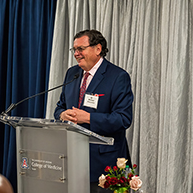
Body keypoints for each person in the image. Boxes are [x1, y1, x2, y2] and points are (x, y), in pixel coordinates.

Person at [54, 29, 133, 193]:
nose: (76, 53)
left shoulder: (118, 76)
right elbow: (60, 107)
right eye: (74, 50)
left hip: (107, 163)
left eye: (80, 49)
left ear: (98, 49)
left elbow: (123, 119)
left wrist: (88, 117)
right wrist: (62, 114)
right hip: (73, 160)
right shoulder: (72, 73)